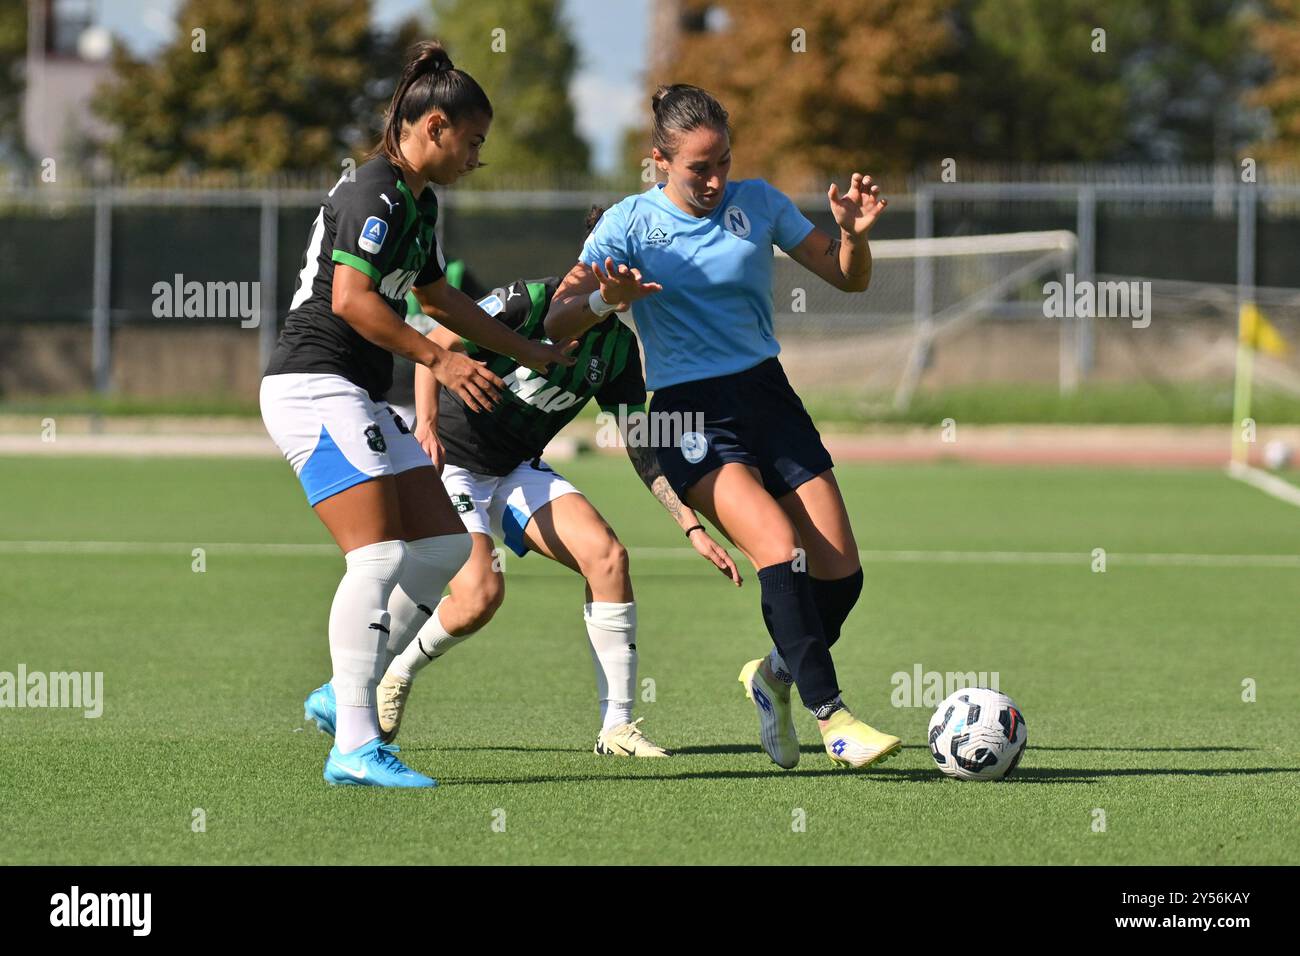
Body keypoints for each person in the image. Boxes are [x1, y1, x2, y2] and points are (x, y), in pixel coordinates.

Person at [305, 206, 741, 757]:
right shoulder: (528, 302)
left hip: (515, 469)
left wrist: (690, 525)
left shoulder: (619, 351)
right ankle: (392, 674)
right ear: (598, 260)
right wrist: (429, 430)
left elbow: (641, 442)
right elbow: (434, 350)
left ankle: (617, 728)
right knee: (480, 595)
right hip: (455, 463)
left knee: (607, 557)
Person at [551, 83, 900, 770]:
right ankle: (834, 719)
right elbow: (559, 321)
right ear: (660, 160)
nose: (715, 180)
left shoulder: (761, 202)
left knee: (842, 574)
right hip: (687, 412)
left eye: (723, 163)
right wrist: (605, 297)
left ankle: (773, 676)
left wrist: (854, 238)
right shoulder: (625, 224)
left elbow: (847, 278)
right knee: (777, 548)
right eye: (698, 168)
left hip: (769, 397)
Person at [260, 40, 571, 788]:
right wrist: (440, 360)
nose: (476, 159)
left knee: (438, 550)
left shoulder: (416, 202)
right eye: (472, 143)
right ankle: (355, 747)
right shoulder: (375, 194)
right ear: (432, 127)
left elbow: (439, 301)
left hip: (354, 391)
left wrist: (525, 350)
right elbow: (350, 301)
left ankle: (342, 691)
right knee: (376, 558)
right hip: (313, 385)